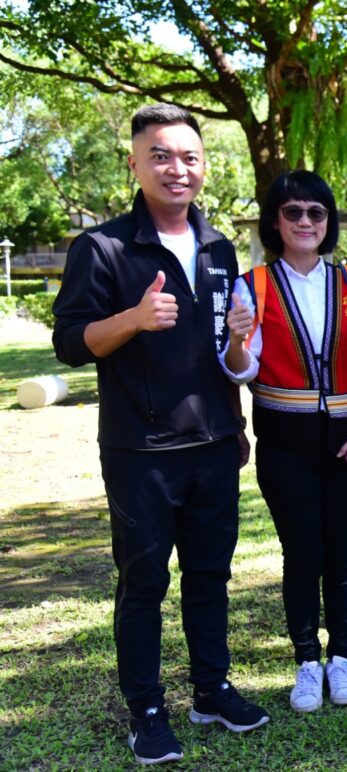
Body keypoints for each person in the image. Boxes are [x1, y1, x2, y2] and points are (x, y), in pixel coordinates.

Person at [52, 104, 268, 766]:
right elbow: (69, 343)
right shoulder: (105, 248)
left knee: (210, 575)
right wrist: (133, 318)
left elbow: (222, 355)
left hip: (212, 446)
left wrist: (237, 348)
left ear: (204, 166)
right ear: (136, 164)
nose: (178, 169)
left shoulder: (218, 248)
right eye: (162, 156)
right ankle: (146, 710)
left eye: (190, 157)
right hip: (140, 452)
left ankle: (212, 689)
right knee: (143, 582)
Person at [220, 171, 347, 713]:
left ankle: (342, 657)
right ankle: (306, 662)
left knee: (341, 554)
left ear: (328, 221)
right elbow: (240, 371)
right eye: (292, 212)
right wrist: (238, 340)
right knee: (301, 554)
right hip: (283, 440)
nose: (305, 223)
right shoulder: (253, 286)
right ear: (275, 220)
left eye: (316, 213)